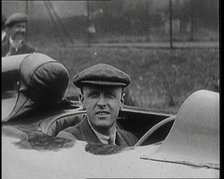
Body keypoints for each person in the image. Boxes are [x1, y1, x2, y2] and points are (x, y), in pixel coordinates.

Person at [57, 64, 138, 146]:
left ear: (121, 101)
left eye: (109, 95)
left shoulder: (131, 140)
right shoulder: (68, 141)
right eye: (94, 95)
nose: (101, 103)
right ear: (82, 100)